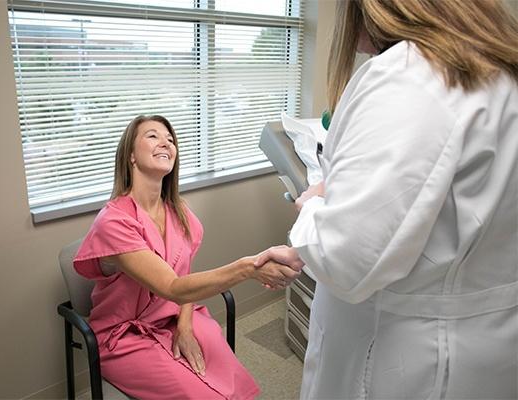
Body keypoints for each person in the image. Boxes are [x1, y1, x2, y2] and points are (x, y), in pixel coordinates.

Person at [255, 0, 518, 398]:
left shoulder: (412, 76)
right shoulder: (499, 74)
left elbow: (347, 262)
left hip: (406, 360)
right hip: (484, 343)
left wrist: (311, 206)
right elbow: (450, 215)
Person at [73, 114, 298, 399]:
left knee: (232, 378)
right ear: (130, 154)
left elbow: (185, 278)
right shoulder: (114, 222)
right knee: (202, 395)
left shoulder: (179, 212)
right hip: (125, 338)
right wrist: (249, 267)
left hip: (173, 316)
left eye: (170, 139)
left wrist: (185, 326)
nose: (165, 142)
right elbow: (171, 287)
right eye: (152, 135)